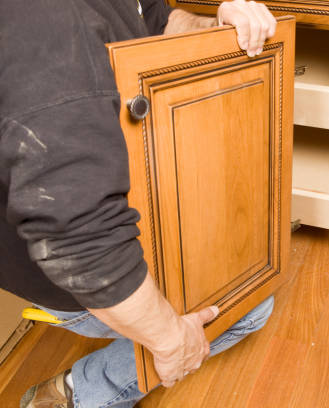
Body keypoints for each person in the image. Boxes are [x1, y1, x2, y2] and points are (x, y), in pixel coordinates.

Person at [0, 1, 278, 407]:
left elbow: (156, 19)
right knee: (248, 309)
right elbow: (83, 247)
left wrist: (214, 24)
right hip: (70, 266)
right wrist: (170, 341)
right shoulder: (45, 20)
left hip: (122, 206)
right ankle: (78, 395)